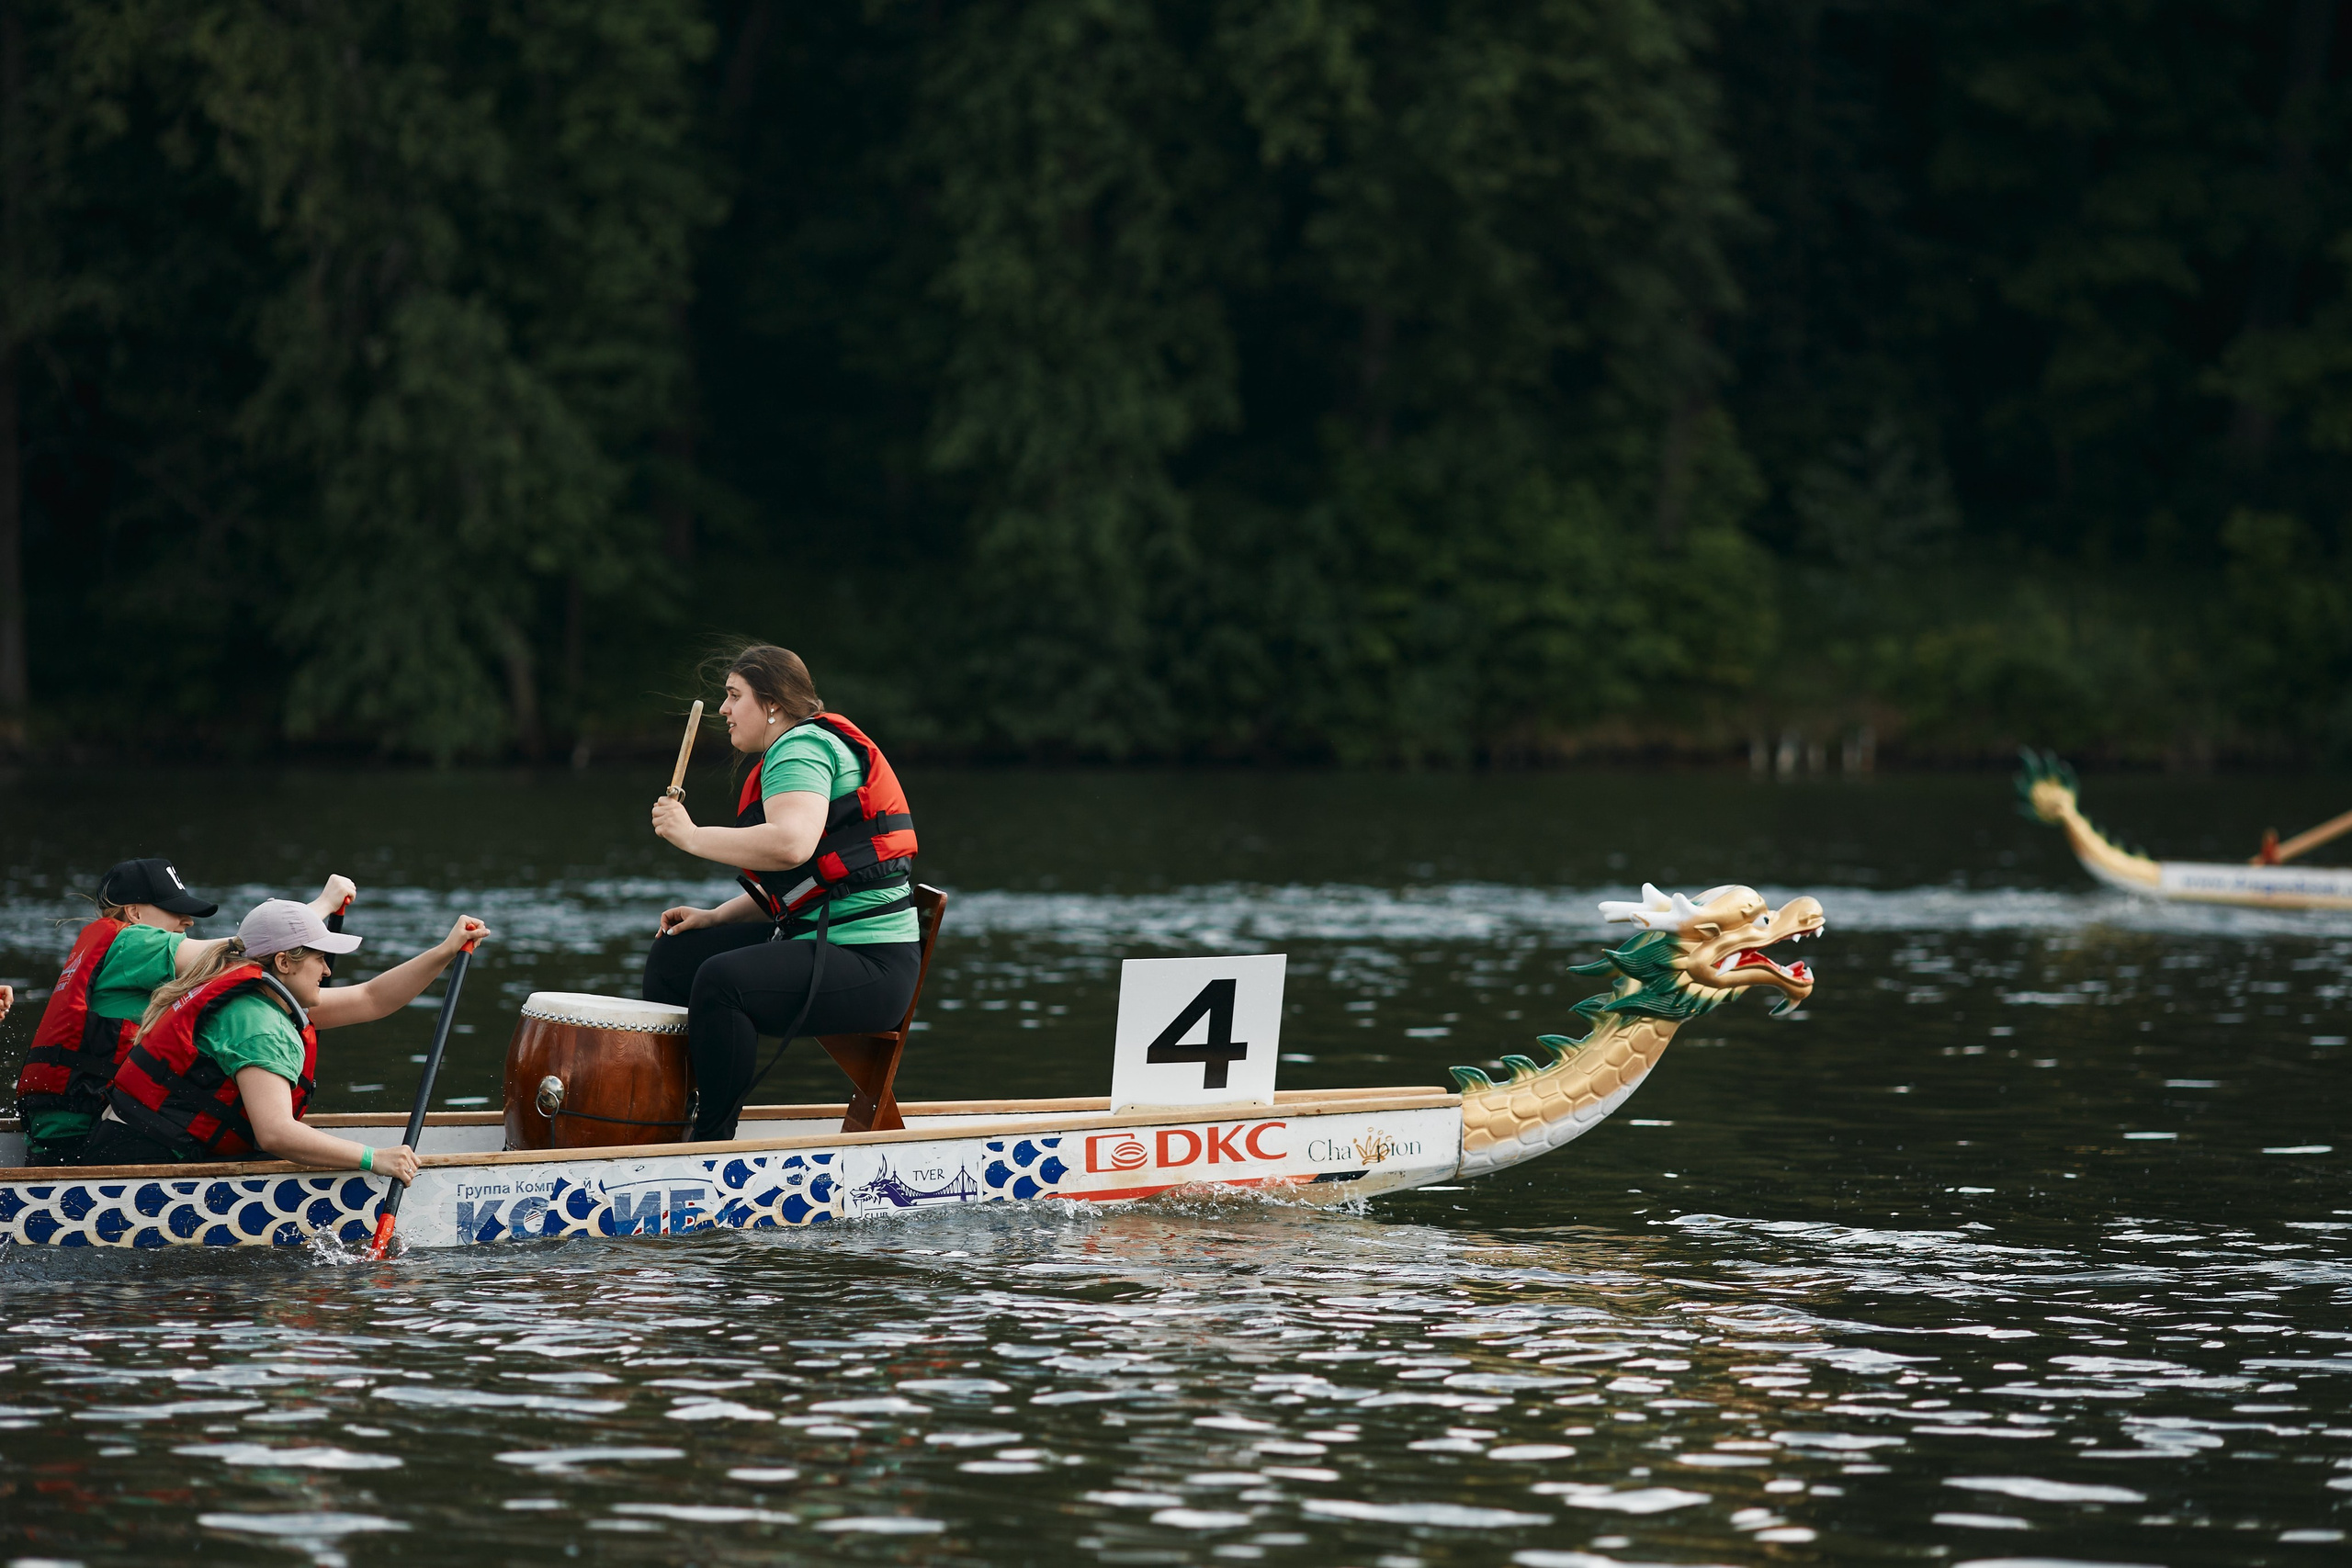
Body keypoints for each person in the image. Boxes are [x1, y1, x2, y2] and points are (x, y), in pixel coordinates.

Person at [645, 644, 922, 1140]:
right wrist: (716, 916)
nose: (724, 710)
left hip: (871, 966)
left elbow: (792, 846)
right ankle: (664, 1117)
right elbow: (810, 880)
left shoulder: (800, 748)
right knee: (677, 956)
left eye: (734, 696)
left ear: (771, 703)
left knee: (721, 983)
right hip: (835, 946)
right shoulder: (799, 747)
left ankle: (709, 1142)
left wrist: (690, 836)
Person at [80, 898, 491, 1176]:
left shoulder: (257, 995)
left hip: (125, 1148)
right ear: (283, 962)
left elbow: (372, 998)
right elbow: (274, 1133)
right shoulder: (257, 1022)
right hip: (138, 1168)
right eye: (319, 959)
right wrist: (375, 1159)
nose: (327, 971)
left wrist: (445, 950)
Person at [13, 859, 353, 1166]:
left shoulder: (142, 966)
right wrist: (322, 906)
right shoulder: (132, 944)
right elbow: (247, 946)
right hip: (80, 1136)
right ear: (134, 913)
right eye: (174, 910)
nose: (187, 921)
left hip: (76, 1126)